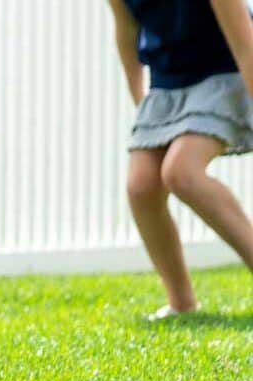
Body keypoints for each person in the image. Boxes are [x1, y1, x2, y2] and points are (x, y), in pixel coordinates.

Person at [109, 0, 253, 320]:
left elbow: (245, 41)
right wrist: (142, 105)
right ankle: (181, 301)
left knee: (181, 172)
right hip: (168, 84)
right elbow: (126, 32)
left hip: (226, 71)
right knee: (141, 187)